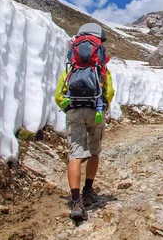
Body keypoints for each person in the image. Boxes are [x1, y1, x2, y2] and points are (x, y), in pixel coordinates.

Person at [55, 23, 115, 221]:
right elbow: (109, 92)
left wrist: (69, 107)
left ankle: (75, 201)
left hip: (74, 111)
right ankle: (88, 191)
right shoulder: (101, 70)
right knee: (94, 151)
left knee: (75, 154)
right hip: (95, 111)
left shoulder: (70, 70)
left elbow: (59, 95)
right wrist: (101, 106)